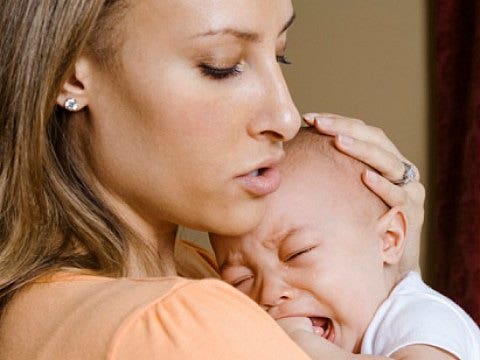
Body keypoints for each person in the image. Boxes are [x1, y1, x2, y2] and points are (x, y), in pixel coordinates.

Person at [0, 1, 425, 359]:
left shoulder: (193, 272)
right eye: (220, 66)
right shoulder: (183, 324)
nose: (286, 117)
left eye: (280, 56)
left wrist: (388, 275)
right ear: (72, 75)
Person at [211, 128, 480, 360]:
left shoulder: (421, 316)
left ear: (390, 239)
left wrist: (308, 347)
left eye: (297, 253)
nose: (268, 293)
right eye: (240, 279)